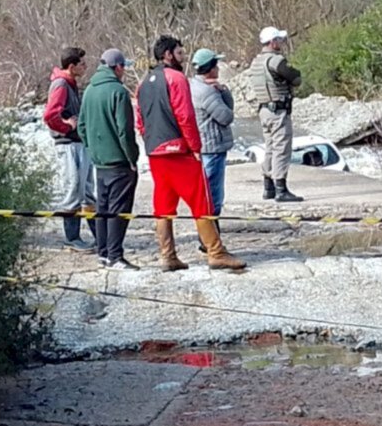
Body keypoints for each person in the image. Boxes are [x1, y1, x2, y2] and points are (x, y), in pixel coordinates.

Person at [136, 35, 245, 273]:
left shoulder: (143, 84)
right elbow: (185, 116)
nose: (183, 58)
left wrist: (149, 142)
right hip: (178, 151)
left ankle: (168, 255)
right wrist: (195, 148)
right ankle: (216, 252)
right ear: (168, 55)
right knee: (201, 200)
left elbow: (140, 121)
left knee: (163, 206)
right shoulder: (177, 79)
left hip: (155, 152)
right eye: (180, 53)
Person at [78, 49, 140, 271]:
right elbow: (125, 131)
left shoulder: (89, 91)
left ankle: (103, 253)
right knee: (119, 210)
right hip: (119, 162)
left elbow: (81, 126)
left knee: (103, 209)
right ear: (118, 67)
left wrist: (93, 150)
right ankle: (115, 255)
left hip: (100, 163)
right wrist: (132, 158)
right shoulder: (118, 92)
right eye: (124, 67)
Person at [43, 46, 97, 253]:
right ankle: (72, 238)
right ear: (72, 66)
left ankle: (98, 235)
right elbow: (50, 116)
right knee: (73, 189)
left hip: (77, 144)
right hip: (67, 145)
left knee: (86, 191)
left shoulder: (71, 84)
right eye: (82, 64)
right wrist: (67, 126)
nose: (86, 67)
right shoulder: (61, 85)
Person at [250, 26, 303, 203]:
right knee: (281, 148)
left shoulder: (256, 62)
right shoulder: (276, 61)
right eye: (279, 40)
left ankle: (268, 187)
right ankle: (281, 188)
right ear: (273, 42)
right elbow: (296, 78)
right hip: (278, 110)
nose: (281, 43)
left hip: (264, 110)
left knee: (270, 148)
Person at [189, 47, 235, 251]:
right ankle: (211, 243)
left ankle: (208, 241)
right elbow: (226, 116)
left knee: (206, 195)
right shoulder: (207, 92)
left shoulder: (192, 86)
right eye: (216, 65)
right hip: (212, 147)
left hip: (202, 147)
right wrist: (224, 91)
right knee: (213, 198)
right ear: (210, 68)